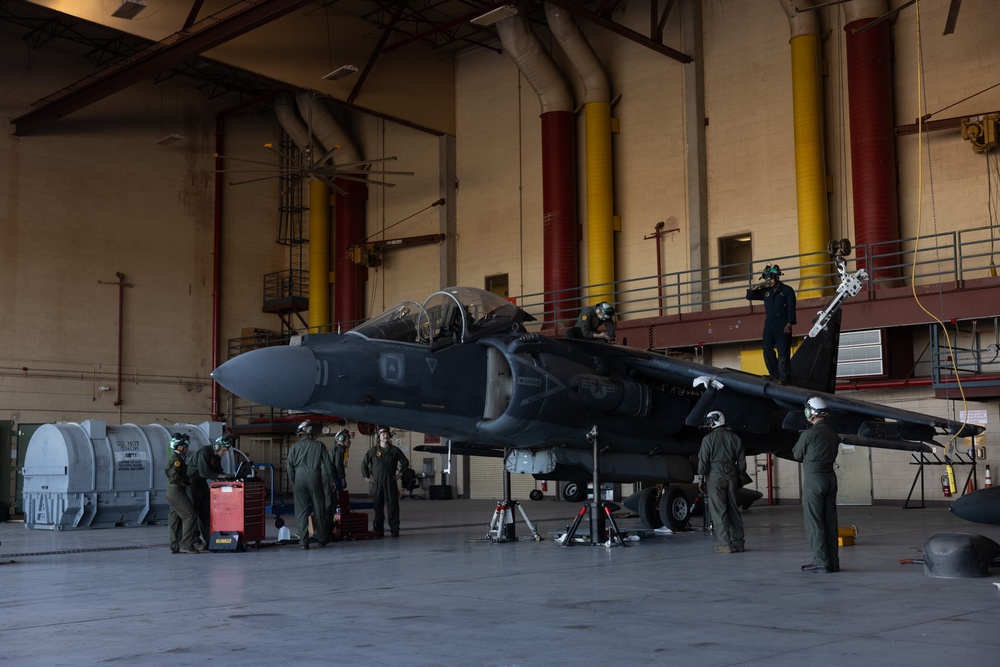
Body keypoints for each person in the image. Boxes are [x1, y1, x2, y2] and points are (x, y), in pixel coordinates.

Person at [792, 396, 841, 573]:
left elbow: (797, 454)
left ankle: (821, 560)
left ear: (809, 413)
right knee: (830, 521)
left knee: (814, 522)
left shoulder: (809, 434)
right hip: (830, 478)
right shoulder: (833, 433)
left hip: (814, 479)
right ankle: (833, 562)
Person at [697, 410, 747, 554]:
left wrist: (701, 478)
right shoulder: (736, 438)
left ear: (713, 422)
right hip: (732, 475)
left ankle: (725, 544)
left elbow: (703, 463)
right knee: (733, 509)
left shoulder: (708, 439)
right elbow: (742, 464)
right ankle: (739, 543)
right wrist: (737, 475)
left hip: (715, 476)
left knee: (719, 511)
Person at [286, 420, 334, 550]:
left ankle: (303, 542)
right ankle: (322, 539)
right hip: (315, 477)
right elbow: (328, 465)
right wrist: (331, 481)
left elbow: (289, 467)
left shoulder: (294, 448)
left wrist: (294, 481)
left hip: (299, 478)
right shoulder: (319, 445)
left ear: (300, 434)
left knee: (301, 512)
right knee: (319, 508)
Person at [745, 264, 796, 384]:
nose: (769, 281)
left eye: (771, 278)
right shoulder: (765, 291)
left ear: (777, 277)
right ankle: (774, 374)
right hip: (769, 324)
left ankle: (784, 377)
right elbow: (749, 296)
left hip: (783, 323)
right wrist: (760, 285)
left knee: (783, 351)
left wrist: (789, 323)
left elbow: (791, 308)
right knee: (767, 349)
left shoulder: (787, 290)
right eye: (767, 279)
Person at [186, 435, 234, 546]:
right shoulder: (205, 452)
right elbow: (203, 472)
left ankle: (209, 539)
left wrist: (226, 477)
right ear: (217, 447)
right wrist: (220, 476)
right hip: (192, 481)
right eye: (223, 450)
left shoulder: (217, 456)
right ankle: (194, 540)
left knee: (206, 511)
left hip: (201, 481)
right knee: (193, 511)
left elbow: (218, 470)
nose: (224, 453)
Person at [361, 426, 409, 537]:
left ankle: (395, 530)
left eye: (387, 434)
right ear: (379, 436)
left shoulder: (395, 450)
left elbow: (405, 463)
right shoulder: (373, 450)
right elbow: (364, 464)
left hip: (390, 483)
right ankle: (378, 530)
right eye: (383, 434)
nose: (385, 436)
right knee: (378, 508)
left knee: (392, 507)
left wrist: (399, 474)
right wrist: (367, 477)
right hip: (377, 483)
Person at [164, 433, 200, 554]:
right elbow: (174, 477)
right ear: (180, 447)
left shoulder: (176, 458)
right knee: (190, 515)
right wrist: (187, 480)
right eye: (186, 446)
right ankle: (186, 545)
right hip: (177, 491)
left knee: (175, 518)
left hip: (172, 491)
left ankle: (175, 545)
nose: (187, 448)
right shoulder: (176, 460)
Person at [332, 428, 351, 492]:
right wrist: (343, 479)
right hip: (330, 479)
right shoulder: (339, 450)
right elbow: (338, 465)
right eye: (348, 439)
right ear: (341, 439)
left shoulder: (336, 449)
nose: (350, 441)